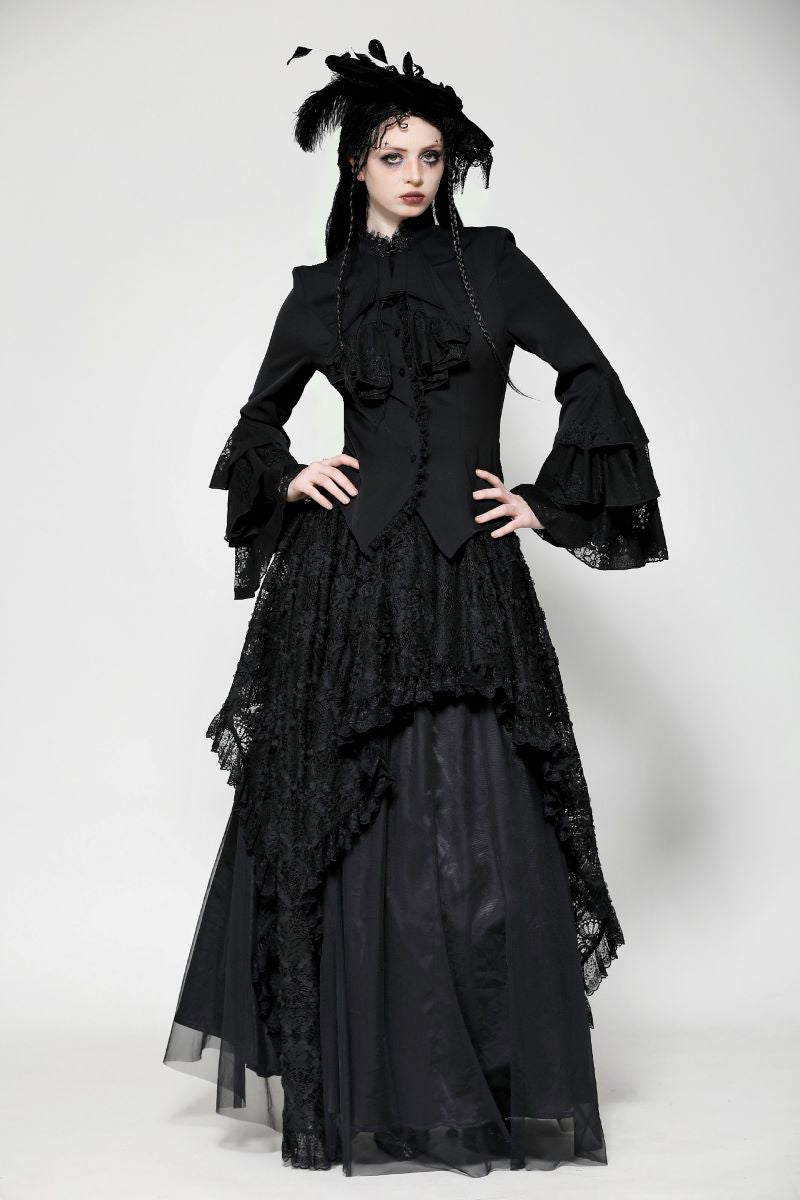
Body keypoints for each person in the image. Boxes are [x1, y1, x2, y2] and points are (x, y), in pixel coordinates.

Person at [162, 38, 669, 1178]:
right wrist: (292, 473)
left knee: (479, 828)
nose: (413, 174)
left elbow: (590, 376)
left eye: (431, 156)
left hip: (465, 576)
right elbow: (254, 428)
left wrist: (542, 503)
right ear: (356, 167)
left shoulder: (492, 267)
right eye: (392, 156)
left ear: (449, 166)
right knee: (352, 826)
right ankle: (371, 1086)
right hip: (346, 583)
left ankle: (478, 1080)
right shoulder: (318, 295)